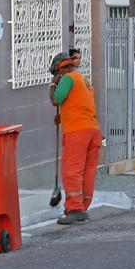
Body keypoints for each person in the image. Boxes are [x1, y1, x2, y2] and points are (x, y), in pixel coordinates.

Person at [48, 52, 102, 225]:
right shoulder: (83, 80)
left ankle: (74, 209)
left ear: (61, 68)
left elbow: (56, 100)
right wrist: (64, 117)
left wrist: (53, 84)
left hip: (77, 132)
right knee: (87, 171)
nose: (58, 76)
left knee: (71, 170)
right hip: (93, 130)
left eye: (57, 72)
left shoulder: (67, 78)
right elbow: (79, 104)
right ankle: (82, 206)